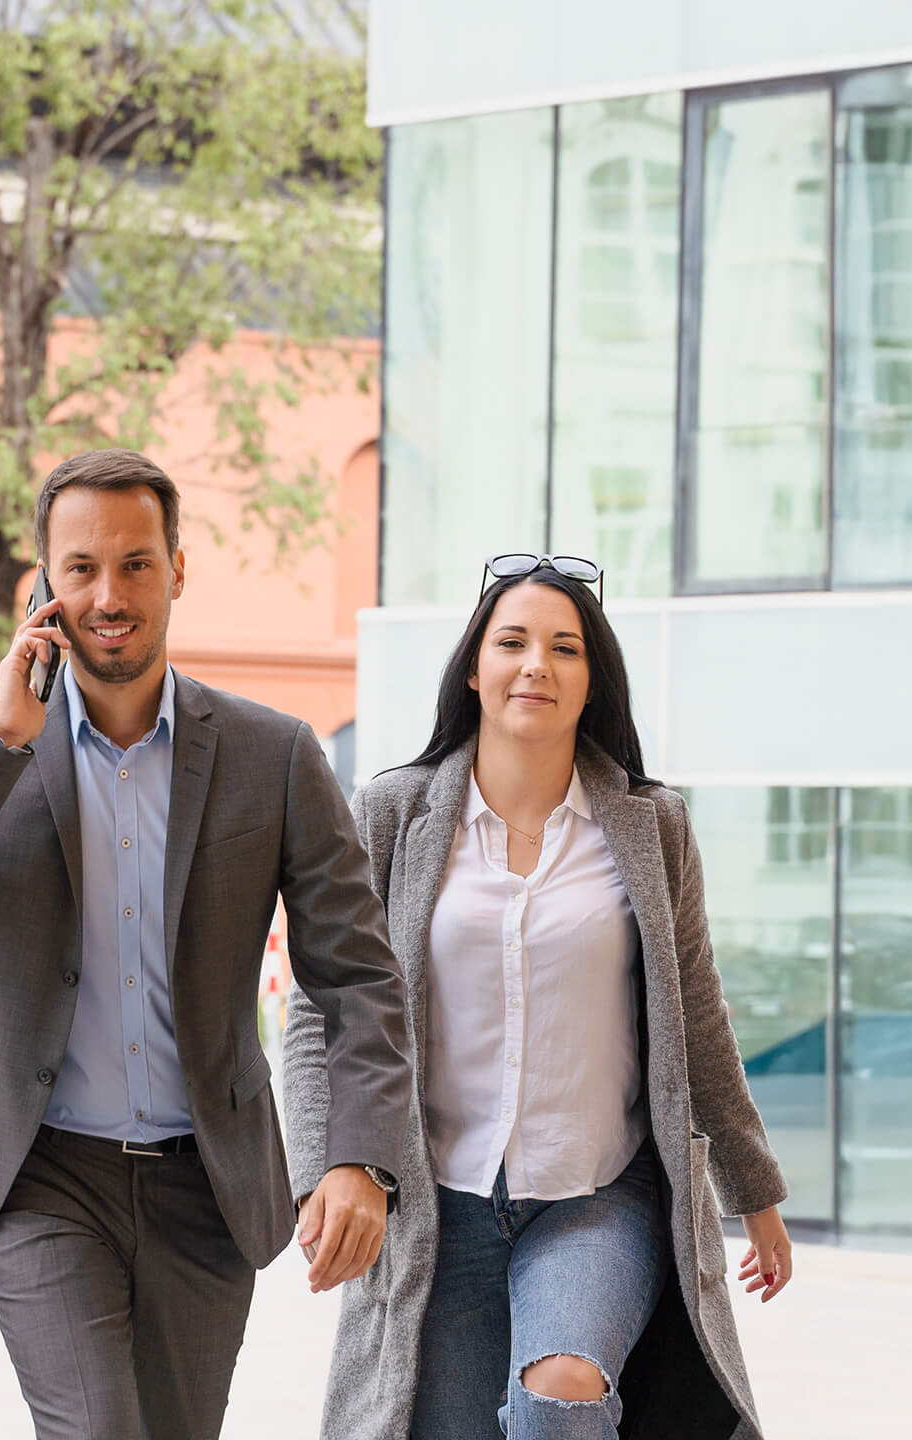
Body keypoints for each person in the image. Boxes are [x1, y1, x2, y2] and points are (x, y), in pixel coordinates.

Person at [0, 449, 413, 1440]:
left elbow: (357, 974)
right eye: (82, 569)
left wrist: (359, 1155)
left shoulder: (272, 755)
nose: (109, 595)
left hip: (206, 1183)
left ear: (177, 570)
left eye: (136, 564)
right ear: (45, 588)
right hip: (38, 1172)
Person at [280, 554, 793, 1440]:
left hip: (598, 1195)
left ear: (593, 680)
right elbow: (321, 1009)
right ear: (474, 669)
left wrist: (754, 1189)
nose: (536, 666)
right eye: (512, 642)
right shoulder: (393, 814)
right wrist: (328, 1166)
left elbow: (697, 1014)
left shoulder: (651, 825)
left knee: (561, 1392)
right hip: (439, 1207)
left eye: (565, 648)